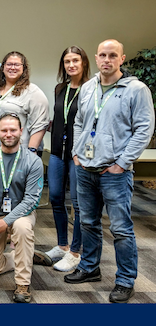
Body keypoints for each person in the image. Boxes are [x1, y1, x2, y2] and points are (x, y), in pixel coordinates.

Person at [64, 39, 155, 303]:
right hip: (86, 168)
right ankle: (89, 267)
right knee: (88, 222)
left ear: (122, 59)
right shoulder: (88, 87)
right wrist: (76, 153)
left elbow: (144, 129)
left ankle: (125, 280)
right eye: (103, 55)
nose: (107, 60)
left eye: (113, 55)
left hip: (114, 172)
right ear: (96, 58)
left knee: (121, 228)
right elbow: (79, 121)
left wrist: (122, 163)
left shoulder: (136, 89)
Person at [0, 113, 48, 303]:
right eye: (4, 130)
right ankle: (25, 255)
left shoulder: (32, 161)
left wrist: (6, 221)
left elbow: (31, 200)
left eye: (13, 130)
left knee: (22, 228)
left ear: (21, 131)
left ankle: (23, 285)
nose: (9, 134)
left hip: (20, 214)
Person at [43, 46, 90, 272]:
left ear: (84, 63)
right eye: (67, 61)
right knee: (55, 197)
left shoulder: (90, 89)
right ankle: (62, 246)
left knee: (78, 203)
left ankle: (75, 252)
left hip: (77, 154)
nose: (71, 65)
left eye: (75, 60)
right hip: (57, 151)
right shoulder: (60, 88)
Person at [0, 51, 49, 152]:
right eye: (9, 64)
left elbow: (40, 124)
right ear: (3, 67)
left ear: (24, 68)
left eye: (17, 64)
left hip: (17, 151)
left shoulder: (33, 92)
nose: (12, 67)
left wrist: (31, 151)